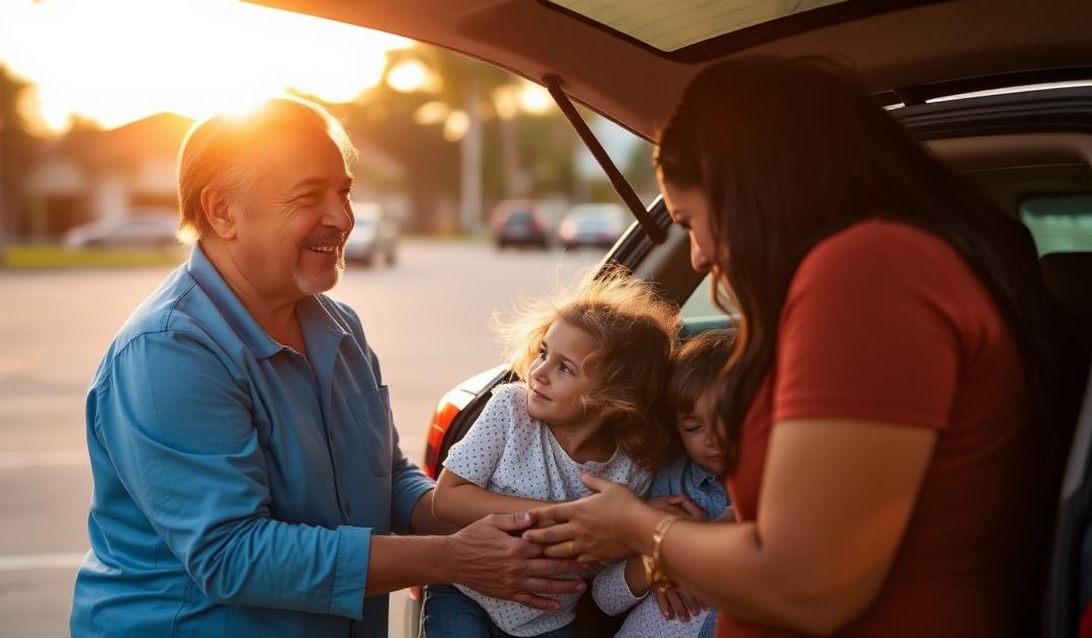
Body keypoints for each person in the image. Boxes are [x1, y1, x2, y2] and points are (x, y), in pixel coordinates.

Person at [522, 56, 1066, 636]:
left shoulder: (867, 272)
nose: (699, 257)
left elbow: (808, 585)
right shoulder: (889, 266)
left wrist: (639, 529)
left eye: (692, 221)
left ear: (748, 186)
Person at [69, 96, 586, 637]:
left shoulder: (340, 328)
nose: (342, 219)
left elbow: (386, 484)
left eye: (343, 192)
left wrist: (522, 523)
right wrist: (452, 559)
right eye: (308, 196)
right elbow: (232, 555)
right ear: (223, 211)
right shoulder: (168, 352)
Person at [424, 268, 680, 638]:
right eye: (543, 353)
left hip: (548, 618)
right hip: (466, 592)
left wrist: (657, 561)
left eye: (564, 368)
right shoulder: (510, 411)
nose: (538, 372)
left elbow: (605, 572)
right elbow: (446, 500)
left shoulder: (629, 471)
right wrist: (568, 516)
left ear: (613, 400)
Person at [592, 329, 736, 638]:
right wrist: (657, 561)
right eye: (693, 427)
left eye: (729, 420)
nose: (712, 439)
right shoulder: (674, 483)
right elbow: (605, 598)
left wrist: (692, 542)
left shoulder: (788, 488)